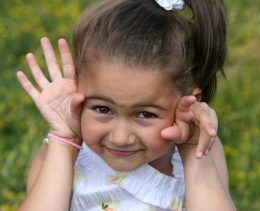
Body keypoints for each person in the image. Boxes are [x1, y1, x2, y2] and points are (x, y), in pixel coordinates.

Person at [17, 0, 236, 210]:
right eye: (103, 109)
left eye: (145, 114)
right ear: (78, 91)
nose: (120, 138)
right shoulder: (64, 155)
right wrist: (64, 143)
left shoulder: (200, 150)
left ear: (187, 104)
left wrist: (191, 149)